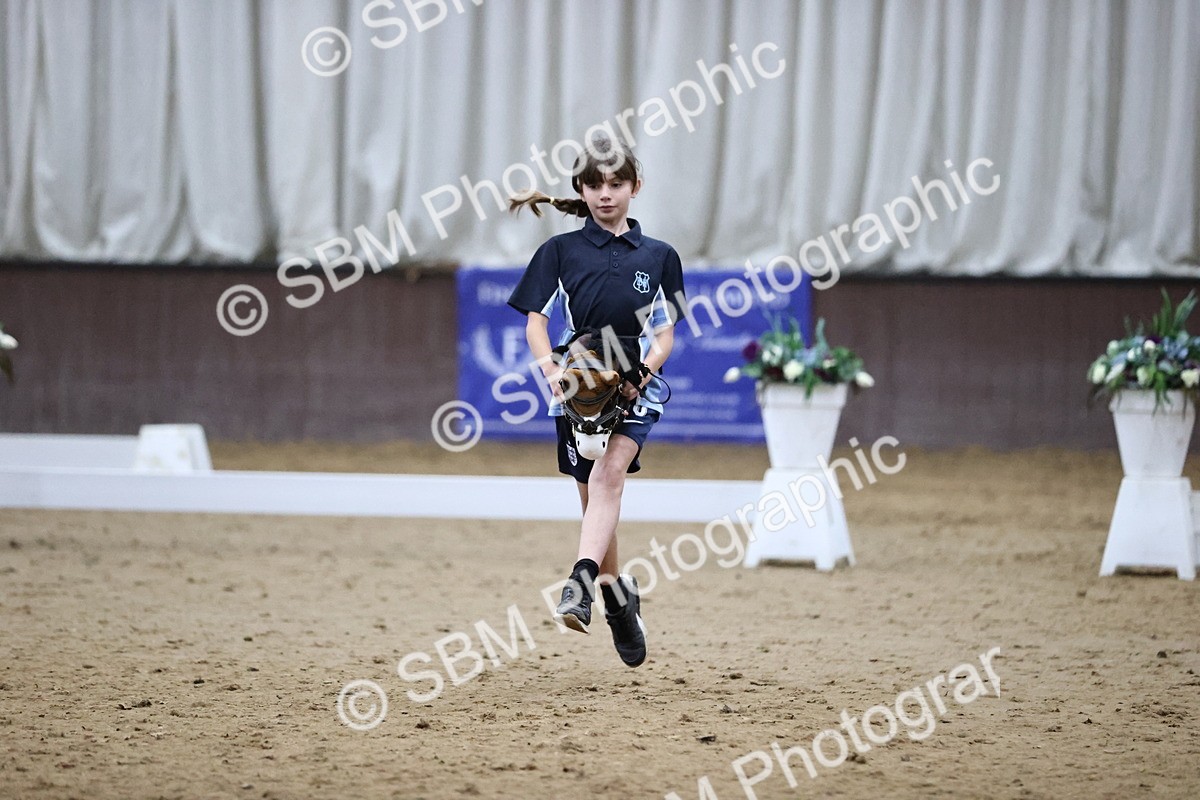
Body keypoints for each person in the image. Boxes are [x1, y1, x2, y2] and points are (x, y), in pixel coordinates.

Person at [506, 138, 685, 668]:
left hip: (634, 383)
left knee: (610, 479)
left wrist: (643, 375)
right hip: (577, 383)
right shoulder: (558, 251)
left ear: (636, 187)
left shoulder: (660, 256)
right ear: (580, 191)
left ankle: (579, 582)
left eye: (617, 184)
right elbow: (536, 322)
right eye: (595, 185)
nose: (606, 194)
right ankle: (615, 597)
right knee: (595, 509)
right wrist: (553, 371)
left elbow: (666, 335)